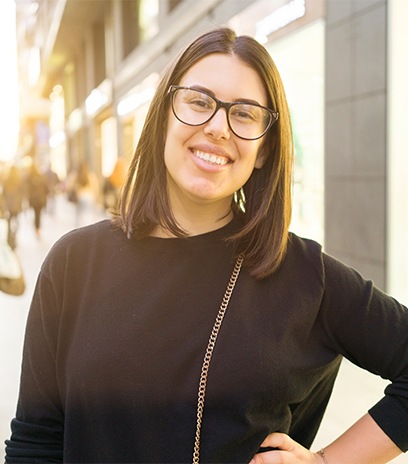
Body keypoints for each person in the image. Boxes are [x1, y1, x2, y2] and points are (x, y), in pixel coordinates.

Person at [4, 27, 407, 464]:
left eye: (245, 114)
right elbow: (35, 440)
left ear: (266, 149)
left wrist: (329, 462)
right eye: (198, 102)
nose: (217, 127)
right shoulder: (74, 263)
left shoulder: (303, 274)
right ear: (163, 116)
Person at [26, 163, 49, 237]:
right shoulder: (41, 177)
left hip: (33, 200)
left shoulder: (29, 178)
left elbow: (27, 190)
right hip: (40, 199)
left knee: (36, 213)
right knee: (38, 214)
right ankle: (38, 227)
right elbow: (46, 188)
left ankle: (36, 226)